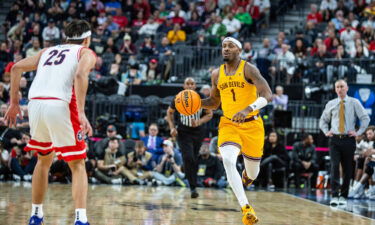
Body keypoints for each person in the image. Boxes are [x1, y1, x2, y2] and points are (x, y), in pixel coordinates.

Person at [5, 20, 96, 225]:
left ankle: (36, 215)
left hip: (35, 104)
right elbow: (81, 75)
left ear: (66, 37)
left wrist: (13, 103)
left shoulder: (47, 51)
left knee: (43, 159)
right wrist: (81, 112)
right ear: (87, 39)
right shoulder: (85, 52)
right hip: (60, 105)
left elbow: (16, 67)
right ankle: (81, 219)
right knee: (78, 164)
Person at [201, 37, 272, 225]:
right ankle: (246, 209)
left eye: (230, 46)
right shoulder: (216, 74)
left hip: (252, 125)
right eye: (224, 46)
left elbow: (267, 95)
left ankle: (247, 177)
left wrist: (248, 109)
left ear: (239, 50)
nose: (226, 49)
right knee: (228, 160)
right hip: (229, 124)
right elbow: (214, 103)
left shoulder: (249, 69)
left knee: (253, 174)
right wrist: (195, 103)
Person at [319, 79, 370, 206]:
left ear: (347, 88)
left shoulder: (354, 102)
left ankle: (344, 196)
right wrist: (326, 131)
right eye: (337, 87)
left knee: (347, 168)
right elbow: (323, 121)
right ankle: (335, 195)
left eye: (342, 86)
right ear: (335, 89)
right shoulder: (330, 103)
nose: (340, 89)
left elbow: (365, 118)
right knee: (334, 166)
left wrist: (358, 133)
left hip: (348, 140)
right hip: (335, 139)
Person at [166, 77, 213, 198]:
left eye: (192, 84)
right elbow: (169, 112)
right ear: (184, 86)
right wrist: (172, 127)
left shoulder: (202, 97)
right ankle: (192, 186)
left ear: (195, 86)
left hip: (198, 131)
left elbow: (209, 114)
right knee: (188, 157)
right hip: (183, 131)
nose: (190, 85)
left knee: (194, 158)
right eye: (188, 83)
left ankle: (190, 178)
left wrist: (199, 121)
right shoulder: (178, 97)